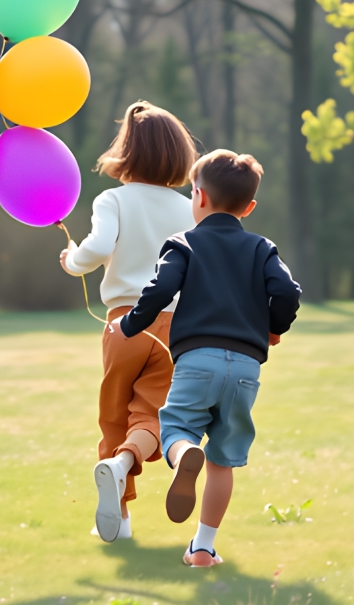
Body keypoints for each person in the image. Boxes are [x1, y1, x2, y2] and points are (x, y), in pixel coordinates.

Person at [117, 149, 302, 567]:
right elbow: (288, 292)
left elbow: (160, 290)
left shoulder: (184, 243)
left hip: (197, 360)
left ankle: (184, 453)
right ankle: (203, 547)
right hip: (246, 367)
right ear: (249, 207)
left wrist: (129, 324)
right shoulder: (262, 248)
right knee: (223, 458)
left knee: (176, 428)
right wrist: (274, 327)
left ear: (197, 196)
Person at [60, 102, 196, 543]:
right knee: (152, 413)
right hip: (175, 326)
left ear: (125, 151)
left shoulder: (113, 199)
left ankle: (118, 516)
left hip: (124, 324)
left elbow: (99, 248)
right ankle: (123, 462)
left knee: (113, 415)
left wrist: (73, 261)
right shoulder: (190, 208)